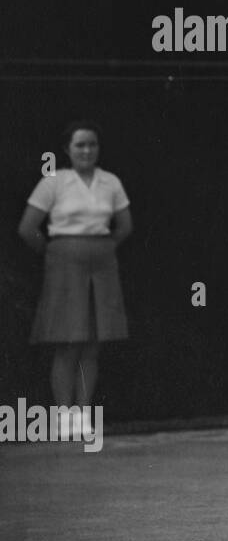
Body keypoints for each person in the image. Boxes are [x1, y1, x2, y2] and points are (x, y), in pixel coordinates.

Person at [17, 121, 132, 439]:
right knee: (69, 343)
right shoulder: (54, 181)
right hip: (64, 267)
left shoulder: (110, 182)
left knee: (92, 345)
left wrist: (99, 249)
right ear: (67, 149)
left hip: (102, 266)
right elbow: (28, 228)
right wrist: (58, 253)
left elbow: (124, 226)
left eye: (92, 144)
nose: (87, 150)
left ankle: (83, 416)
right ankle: (64, 418)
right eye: (80, 145)